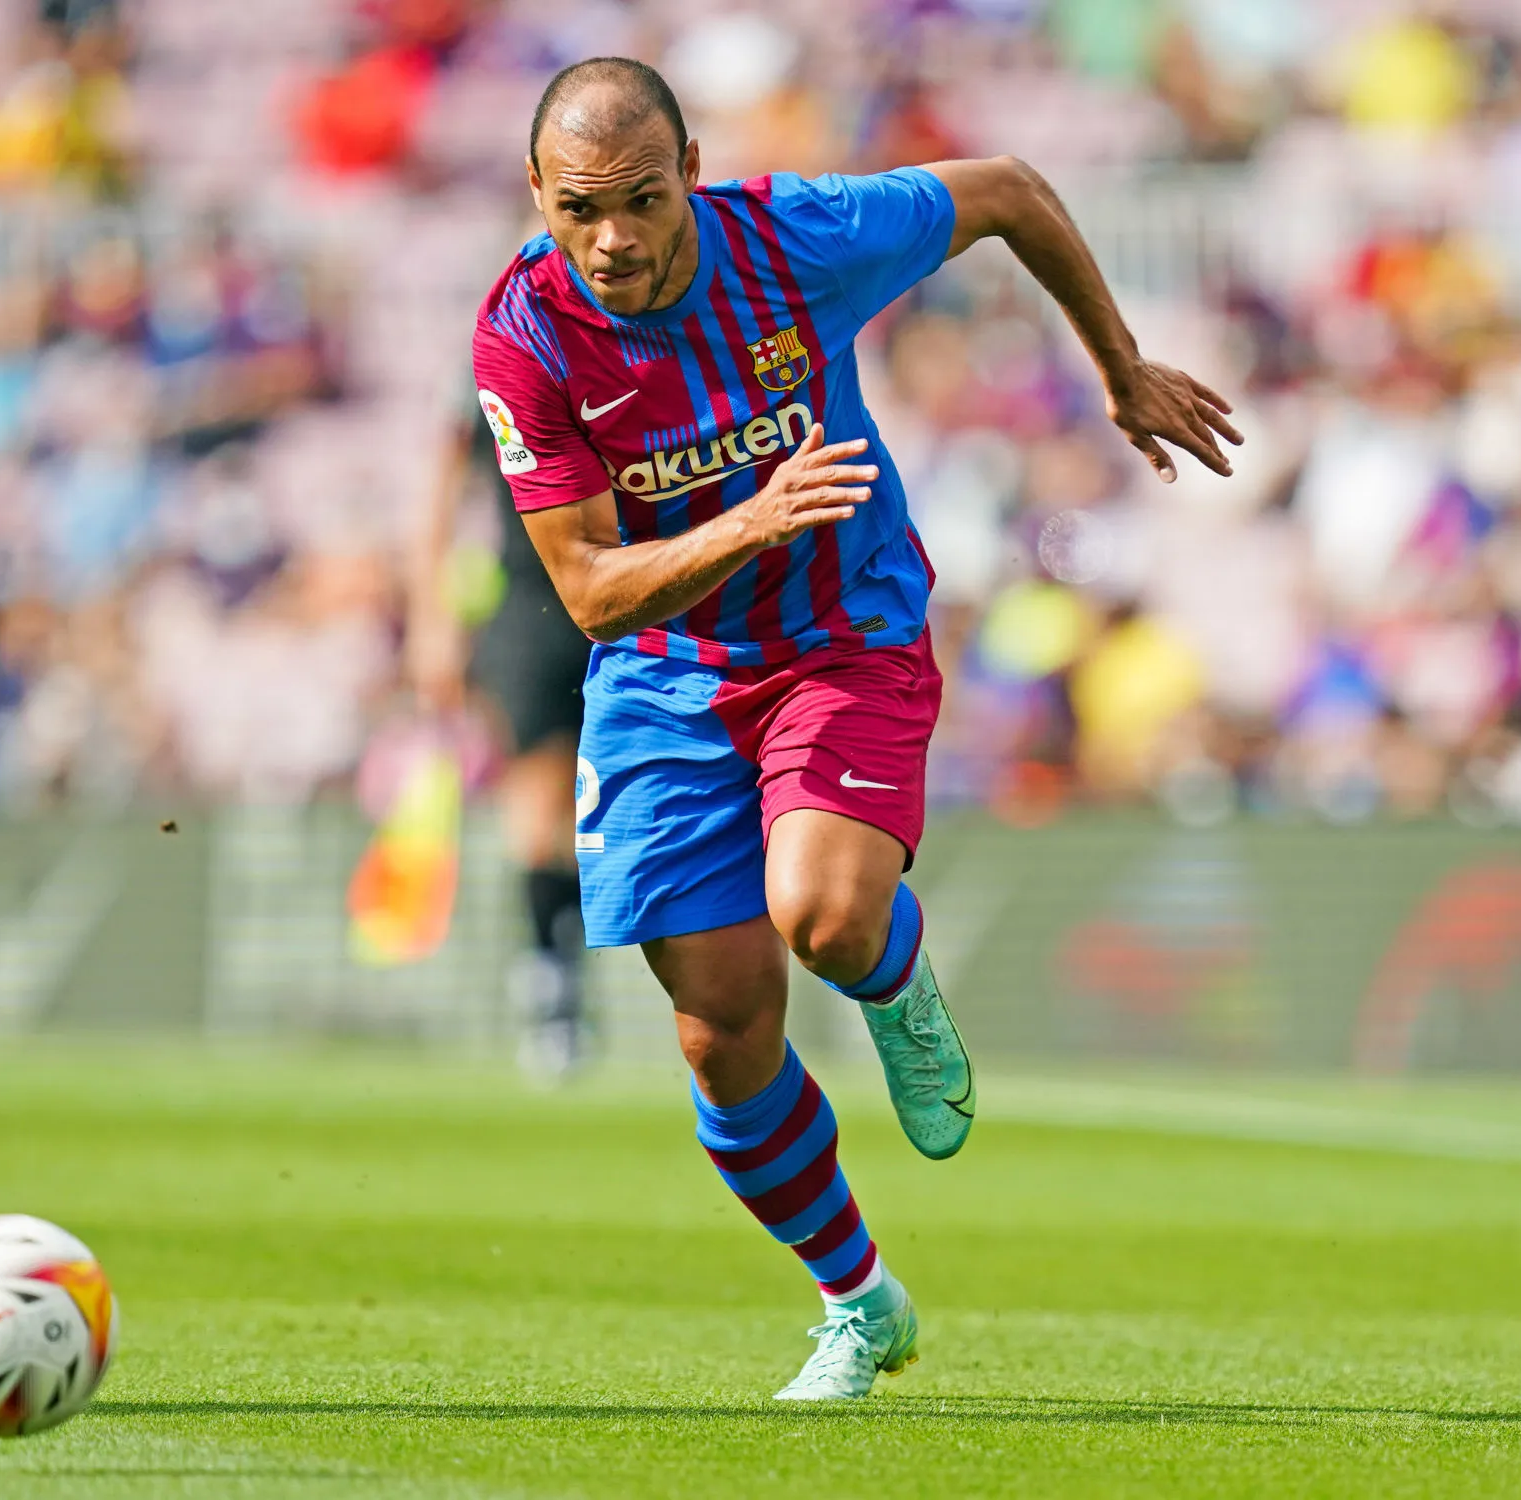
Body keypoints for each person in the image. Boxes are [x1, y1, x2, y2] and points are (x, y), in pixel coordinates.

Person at [470, 57, 1240, 1401]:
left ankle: (892, 979)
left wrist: (1117, 371)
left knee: (822, 915)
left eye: (645, 199)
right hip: (664, 671)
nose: (617, 239)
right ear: (536, 194)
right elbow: (589, 590)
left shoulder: (798, 239)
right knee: (720, 1025)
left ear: (691, 170)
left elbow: (1009, 191)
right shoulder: (523, 339)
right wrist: (754, 517)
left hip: (843, 633)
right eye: (582, 207)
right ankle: (858, 1299)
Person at [410, 388, 595, 1080]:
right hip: (531, 601)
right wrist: (432, 618)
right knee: (538, 805)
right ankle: (552, 986)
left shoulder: (641, 334)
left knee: (594, 816)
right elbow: (446, 485)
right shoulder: (504, 346)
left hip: (635, 591)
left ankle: (564, 968)